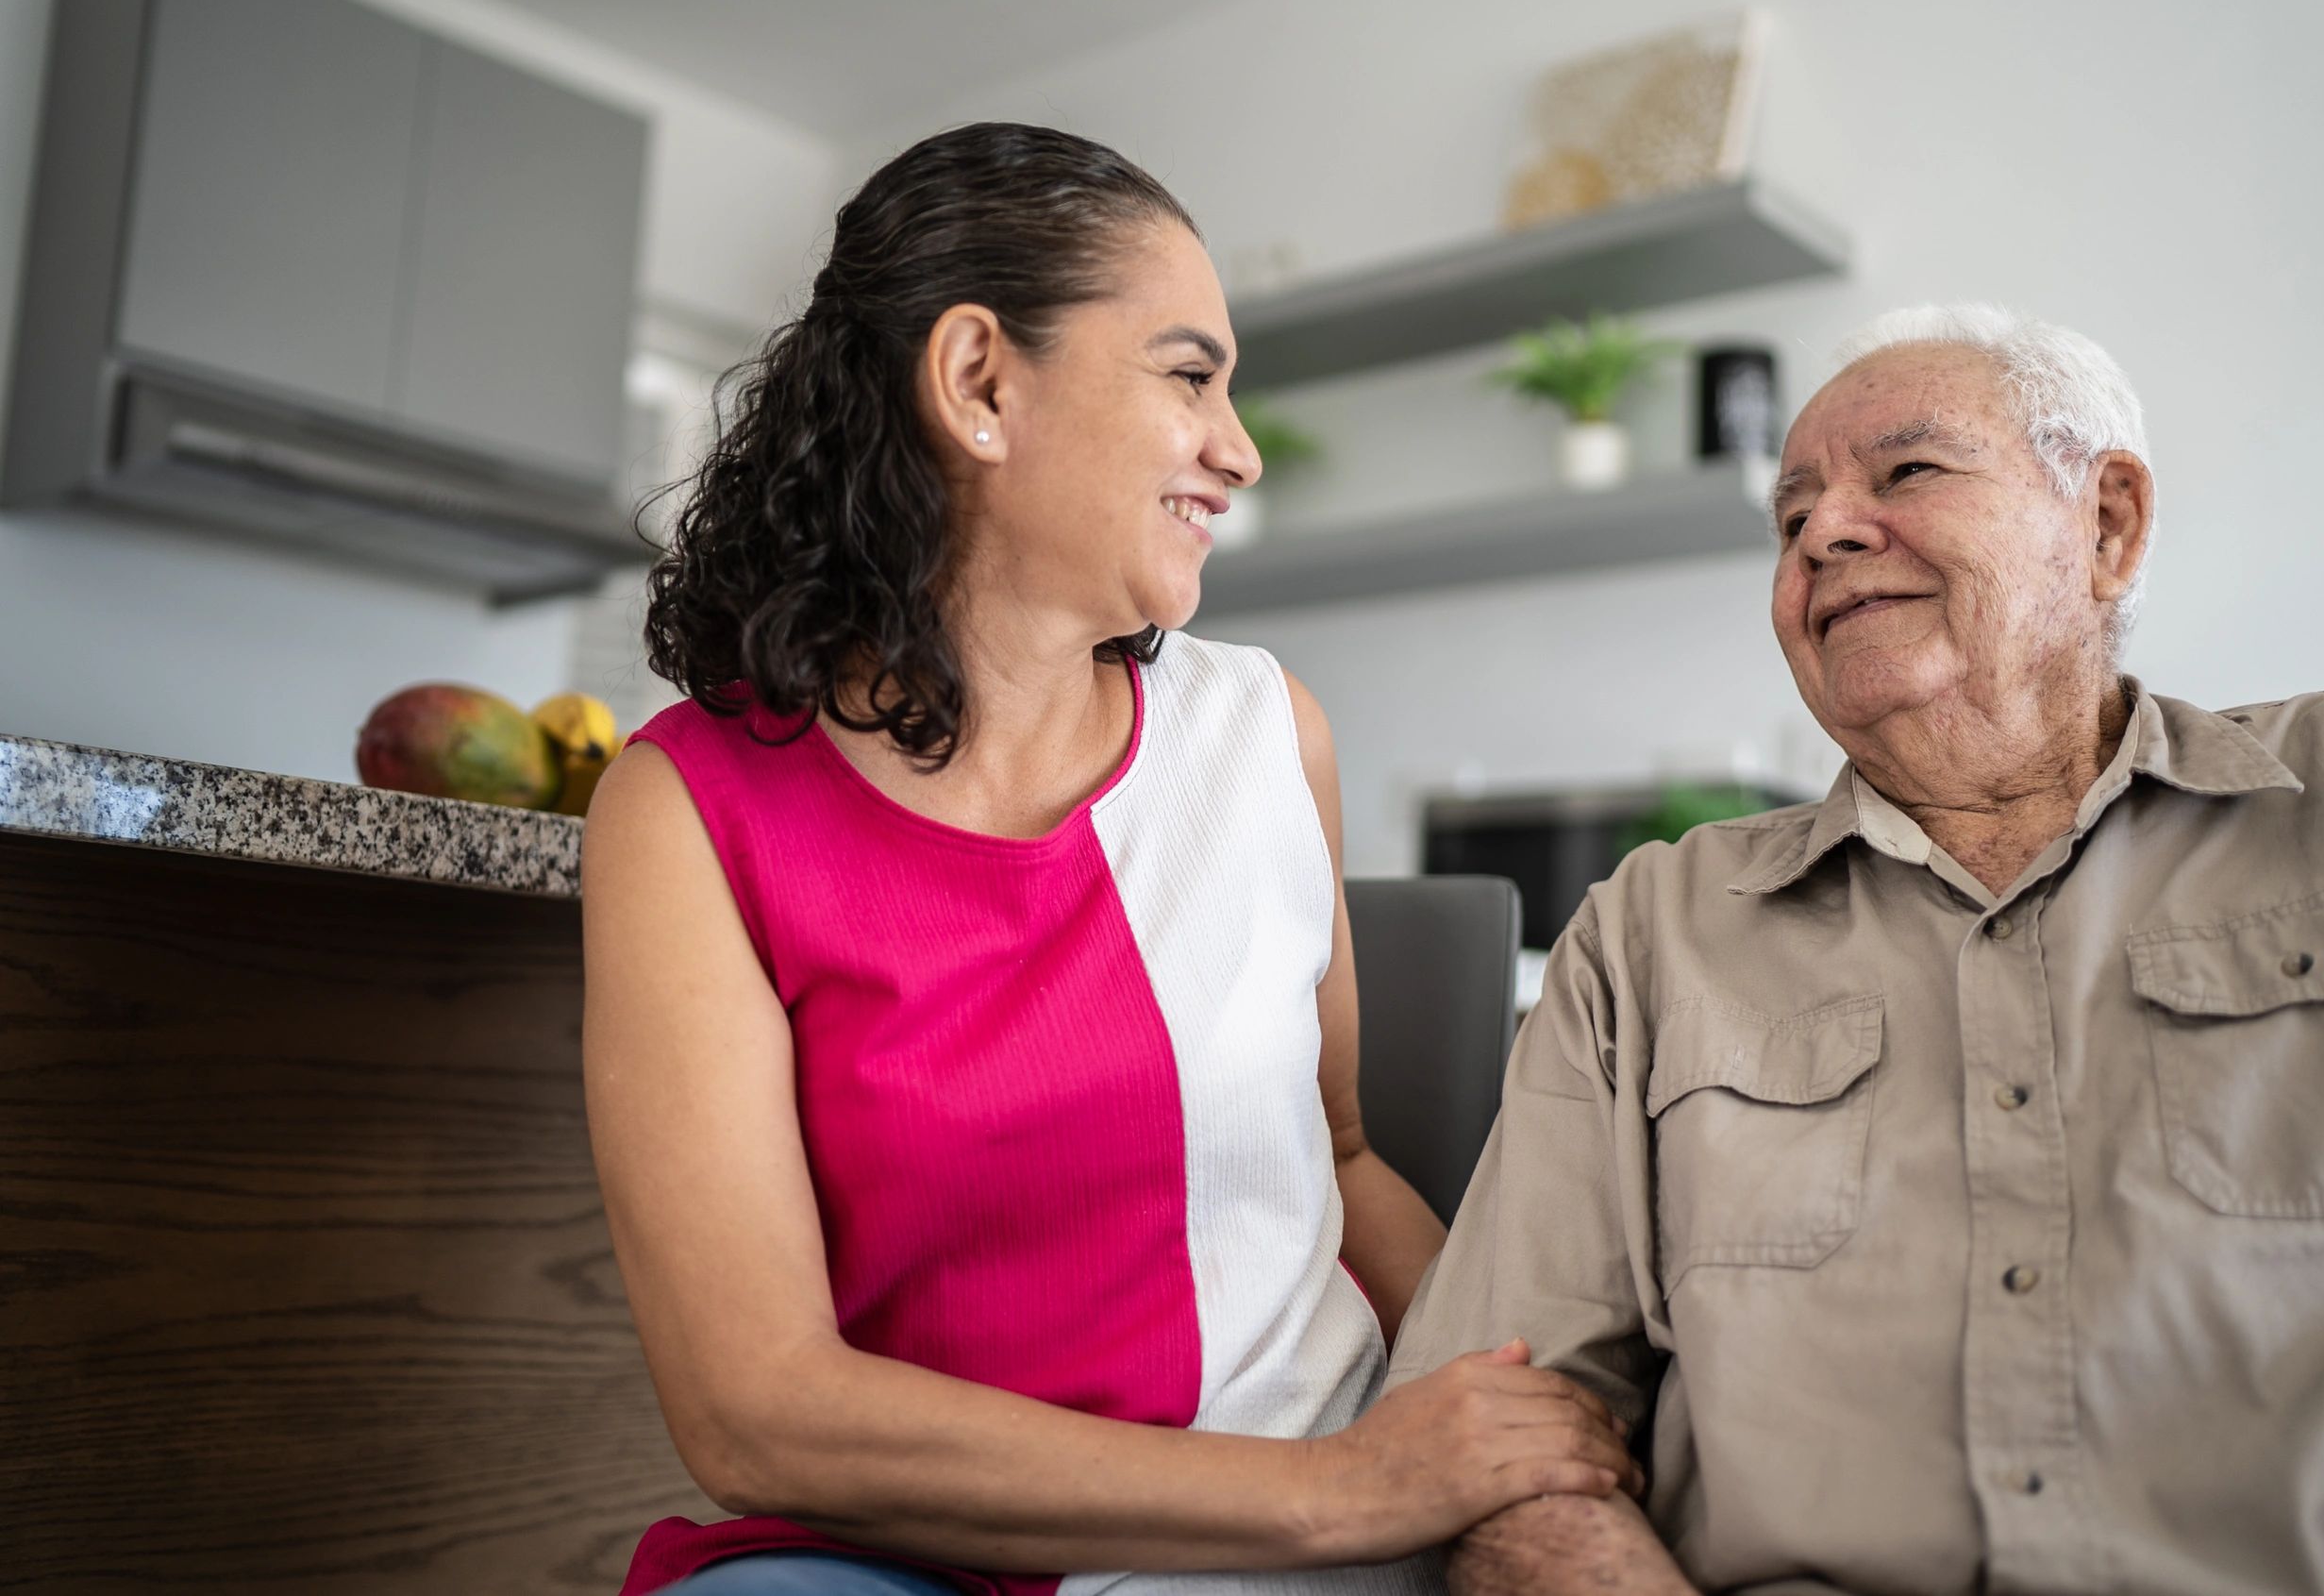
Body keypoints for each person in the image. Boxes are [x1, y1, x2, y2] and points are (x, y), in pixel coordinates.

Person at [577, 122, 1635, 1596]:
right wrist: (1327, 1493)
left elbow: (1341, 1158)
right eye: (1189, 374)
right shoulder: (688, 804)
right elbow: (754, 1411)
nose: (1239, 448)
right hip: (926, 1551)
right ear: (980, 382)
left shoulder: (1269, 735)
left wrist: (1486, 1429)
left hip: (1296, 1524)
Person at [1387, 302, 2324, 1595]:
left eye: (1908, 470)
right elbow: (1492, 1432)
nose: (1824, 528)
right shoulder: (1654, 929)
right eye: (1790, 514)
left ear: (2106, 525)